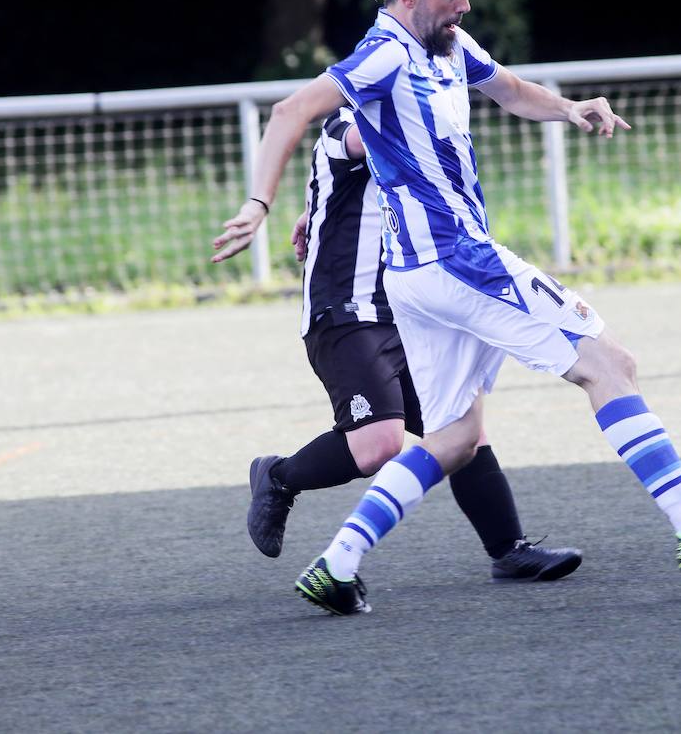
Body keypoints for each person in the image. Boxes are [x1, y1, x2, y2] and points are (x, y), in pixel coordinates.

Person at [212, 0, 681, 615]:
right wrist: (258, 204)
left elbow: (511, 90)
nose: (464, 4)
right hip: (457, 260)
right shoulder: (384, 54)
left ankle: (337, 564)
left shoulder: (449, 45)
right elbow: (291, 111)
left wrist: (569, 108)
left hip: (416, 277)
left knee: (455, 438)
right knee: (610, 365)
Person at [244, 107, 582, 585]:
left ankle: (509, 550)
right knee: (378, 445)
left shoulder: (406, 120)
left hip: (409, 310)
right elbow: (364, 143)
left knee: (459, 430)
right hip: (348, 312)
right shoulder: (347, 122)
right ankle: (278, 477)